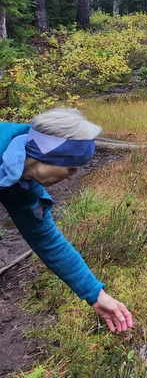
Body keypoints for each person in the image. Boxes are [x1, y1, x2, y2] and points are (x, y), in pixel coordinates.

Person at [0, 108, 134, 333]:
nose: (73, 176)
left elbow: (46, 239)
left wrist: (95, 293)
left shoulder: (21, 181)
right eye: (70, 167)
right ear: (45, 157)